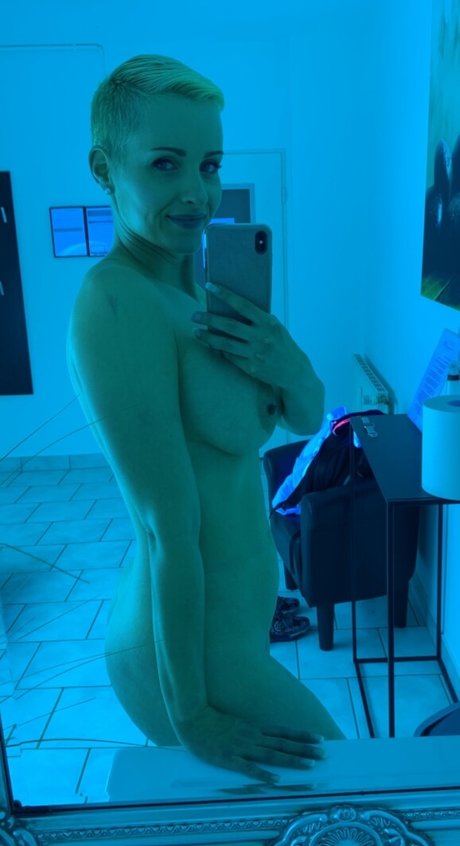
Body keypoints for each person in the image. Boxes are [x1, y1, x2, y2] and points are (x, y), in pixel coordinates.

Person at [66, 54, 345, 786]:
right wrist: (191, 715)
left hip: (231, 638)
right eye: (165, 164)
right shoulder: (117, 304)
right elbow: (167, 525)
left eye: (210, 165)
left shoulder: (205, 298)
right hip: (184, 660)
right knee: (343, 791)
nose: (197, 192)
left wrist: (288, 362)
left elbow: (305, 416)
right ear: (105, 169)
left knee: (305, 812)